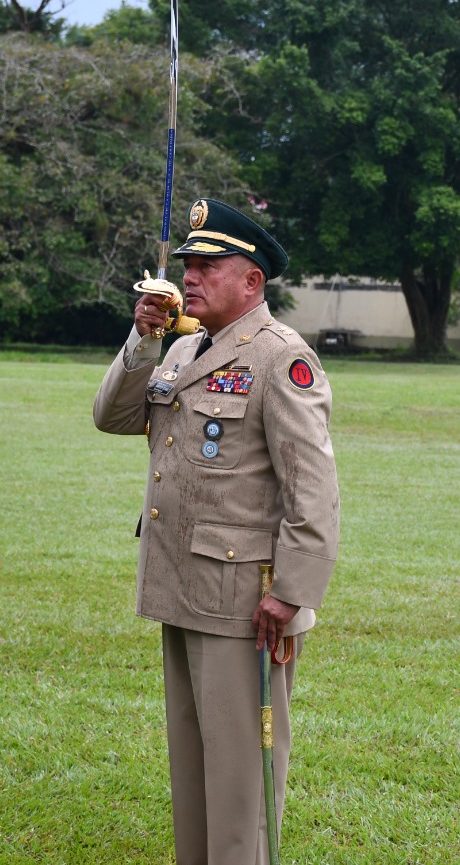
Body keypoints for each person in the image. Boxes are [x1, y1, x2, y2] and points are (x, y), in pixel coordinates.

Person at [93, 198, 340, 865]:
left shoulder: (279, 358)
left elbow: (311, 488)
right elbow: (113, 416)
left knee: (241, 784)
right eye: (188, 265)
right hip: (182, 586)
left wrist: (292, 593)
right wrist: (143, 339)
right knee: (195, 769)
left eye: (208, 265)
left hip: (244, 602)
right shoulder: (179, 350)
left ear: (252, 281)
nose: (190, 277)